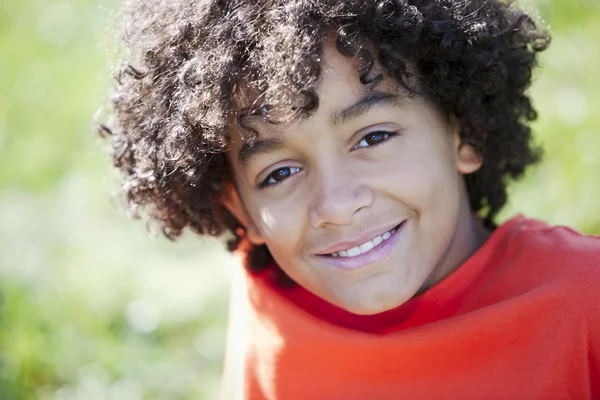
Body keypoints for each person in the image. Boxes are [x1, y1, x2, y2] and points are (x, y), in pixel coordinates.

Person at [100, 0, 600, 398]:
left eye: (374, 137)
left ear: (462, 132)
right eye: (281, 172)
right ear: (240, 208)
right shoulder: (266, 297)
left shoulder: (584, 302)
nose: (337, 205)